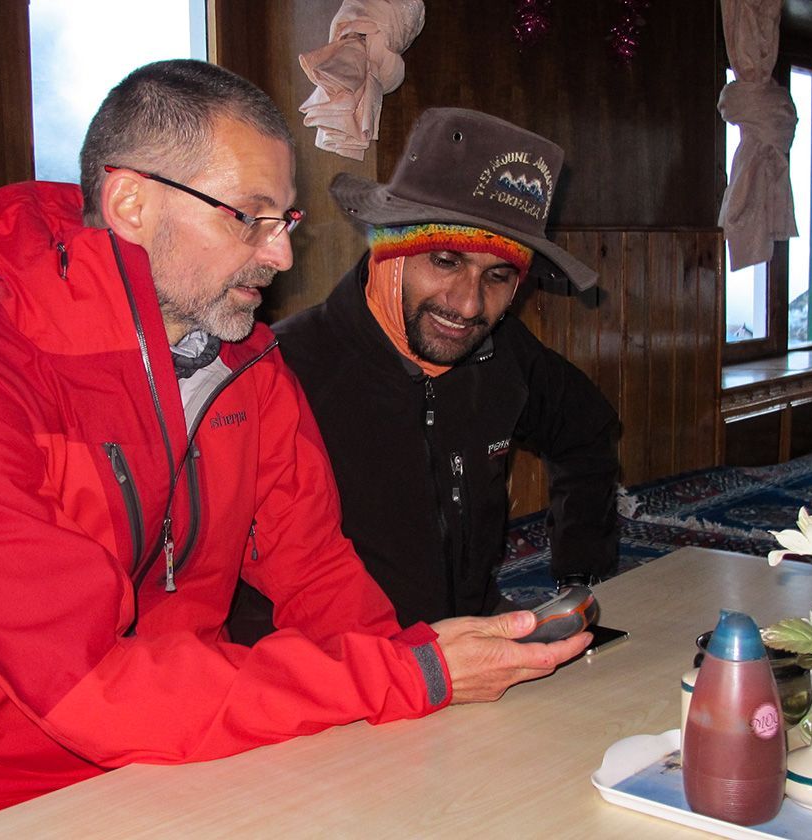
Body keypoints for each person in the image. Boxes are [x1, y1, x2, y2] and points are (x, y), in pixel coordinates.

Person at [0, 63, 589, 838]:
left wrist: (423, 682)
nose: (282, 258)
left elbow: (318, 574)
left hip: (184, 763)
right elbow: (87, 689)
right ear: (130, 203)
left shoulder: (249, 371)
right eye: (249, 218)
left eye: (284, 222)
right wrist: (407, 674)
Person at [241, 108, 620, 631]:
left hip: (473, 638)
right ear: (387, 252)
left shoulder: (502, 351)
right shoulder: (283, 371)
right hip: (340, 669)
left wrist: (579, 572)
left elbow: (587, 428)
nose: (467, 306)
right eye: (444, 261)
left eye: (497, 276)